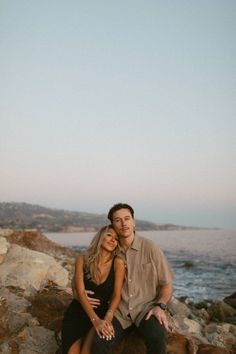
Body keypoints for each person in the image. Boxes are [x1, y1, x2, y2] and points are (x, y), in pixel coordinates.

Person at [88, 203, 175, 354]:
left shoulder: (150, 248)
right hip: (119, 312)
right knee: (99, 343)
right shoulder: (110, 250)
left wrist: (160, 306)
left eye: (127, 219)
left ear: (133, 221)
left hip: (145, 309)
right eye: (117, 220)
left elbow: (166, 284)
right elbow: (86, 273)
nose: (123, 224)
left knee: (157, 337)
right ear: (113, 225)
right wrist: (80, 294)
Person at [61, 225, 125, 354]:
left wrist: (106, 318)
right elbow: (80, 292)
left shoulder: (118, 263)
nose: (113, 240)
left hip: (101, 314)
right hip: (77, 313)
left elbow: (116, 295)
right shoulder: (82, 260)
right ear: (100, 237)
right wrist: (95, 321)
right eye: (109, 235)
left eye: (117, 239)